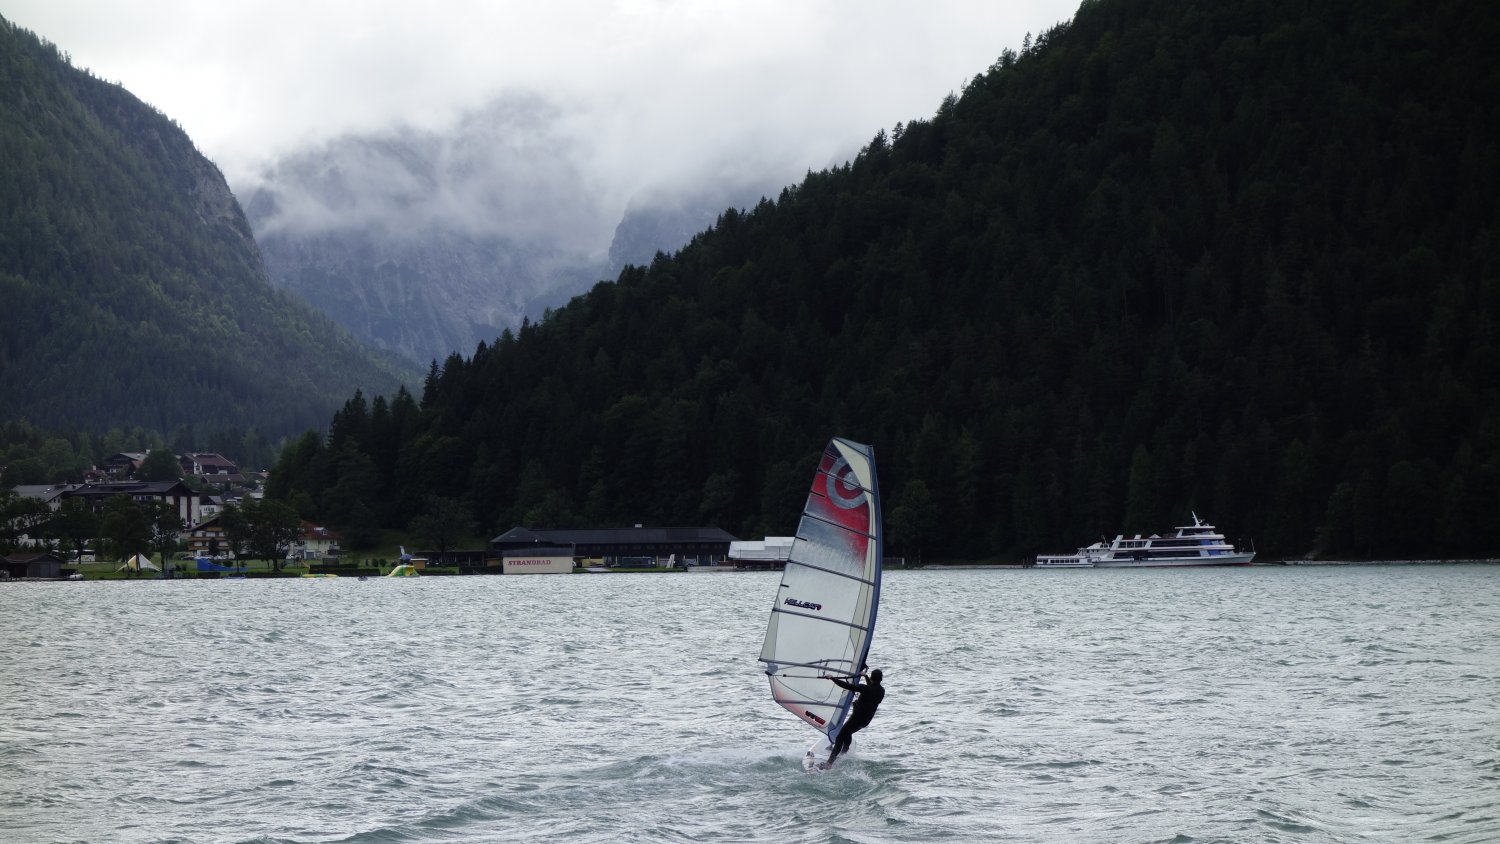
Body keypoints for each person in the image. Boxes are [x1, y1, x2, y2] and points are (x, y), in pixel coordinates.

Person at [819, 668, 885, 766]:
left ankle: (829, 764)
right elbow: (872, 687)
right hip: (865, 721)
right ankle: (845, 750)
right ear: (881, 679)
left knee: (839, 738)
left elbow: (847, 686)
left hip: (856, 718)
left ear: (872, 678)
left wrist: (832, 678)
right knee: (847, 731)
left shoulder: (865, 688)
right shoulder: (881, 691)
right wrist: (865, 676)